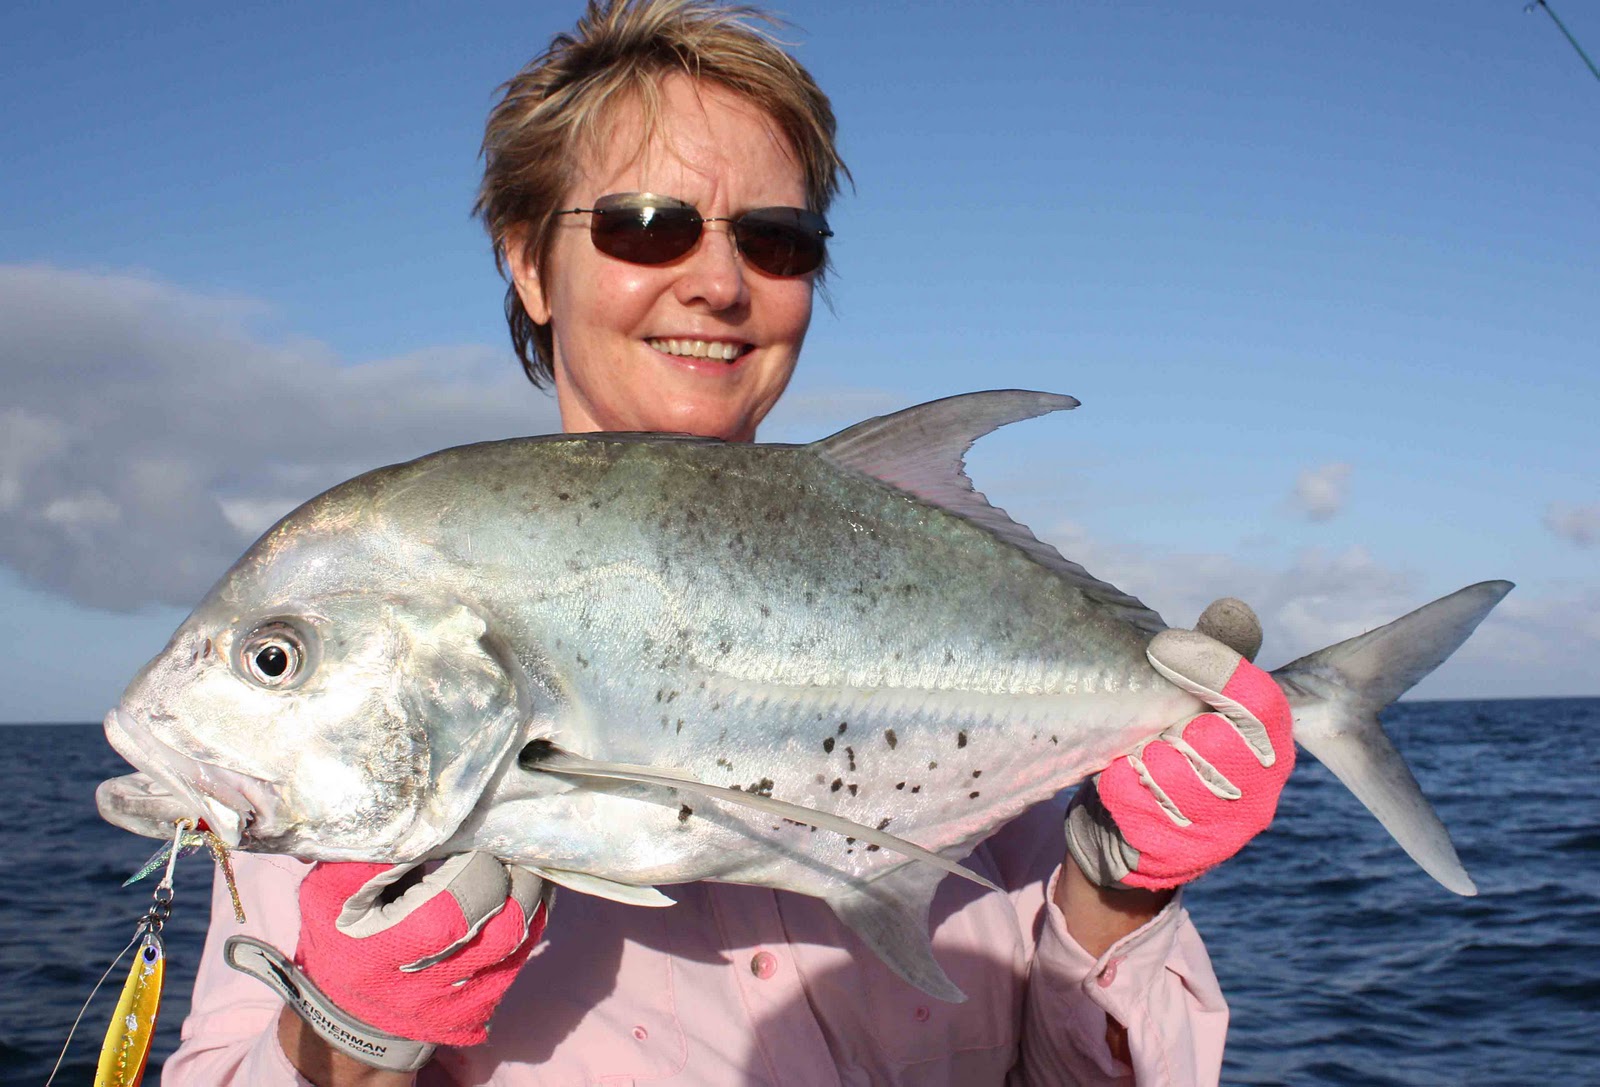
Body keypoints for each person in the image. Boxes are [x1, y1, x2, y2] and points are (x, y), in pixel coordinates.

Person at [164, 2, 1293, 1084]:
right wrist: (347, 1031)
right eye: (642, 225)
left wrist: (1113, 889)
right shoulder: (319, 776)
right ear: (525, 262)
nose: (716, 284)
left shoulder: (933, 635)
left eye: (775, 239)